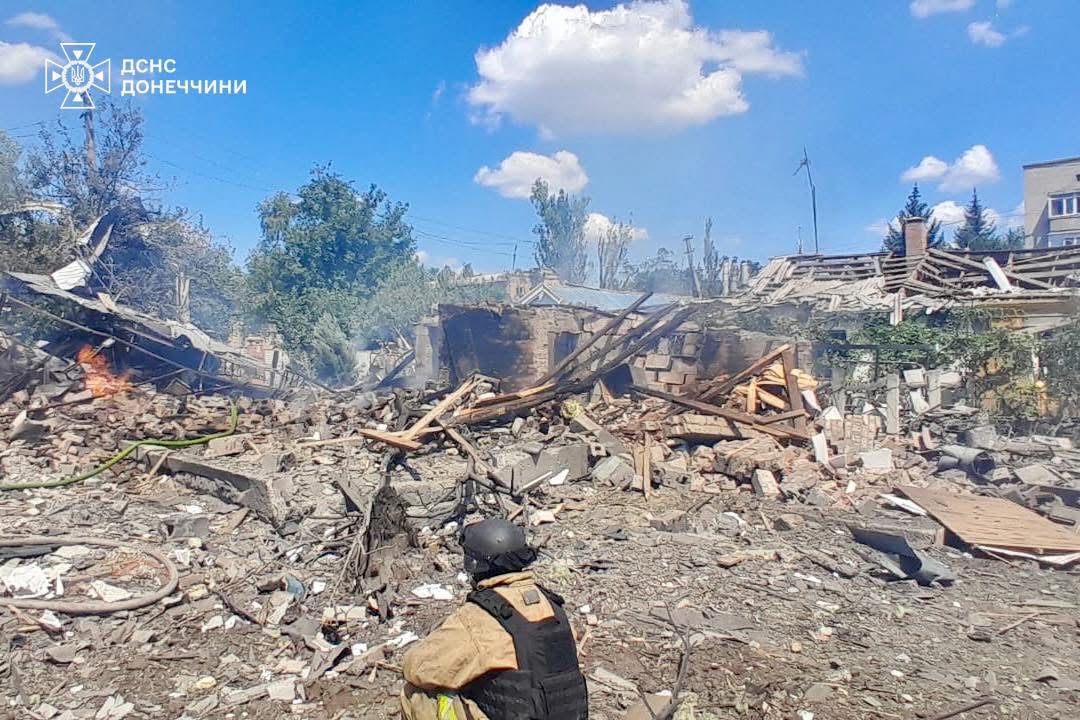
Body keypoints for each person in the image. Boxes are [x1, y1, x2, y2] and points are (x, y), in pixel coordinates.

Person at [399, 518, 589, 720]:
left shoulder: (479, 617)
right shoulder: (553, 606)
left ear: (474, 564)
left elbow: (417, 667)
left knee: (416, 694)